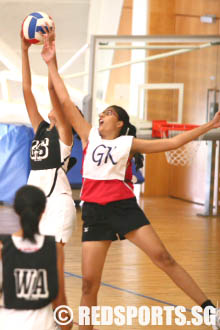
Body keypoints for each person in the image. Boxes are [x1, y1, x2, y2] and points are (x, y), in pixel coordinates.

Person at [41, 29, 220, 330]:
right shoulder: (89, 135)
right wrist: (50, 61)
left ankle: (211, 311)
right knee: (88, 286)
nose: (102, 115)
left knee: (163, 258)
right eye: (101, 112)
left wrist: (210, 125)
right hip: (95, 212)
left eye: (108, 113)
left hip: (124, 208)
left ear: (120, 123)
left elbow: (173, 144)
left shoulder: (129, 142)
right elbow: (64, 97)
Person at [21, 27, 76, 246]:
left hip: (57, 204)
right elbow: (27, 90)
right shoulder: (41, 129)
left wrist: (51, 59)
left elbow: (55, 94)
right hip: (34, 204)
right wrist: (24, 51)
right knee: (32, 263)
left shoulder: (65, 135)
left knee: (53, 264)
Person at [0, 185, 72, 330]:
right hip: (43, 325)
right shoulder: (54, 248)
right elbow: (59, 299)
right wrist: (67, 325)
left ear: (15, 211)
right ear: (43, 211)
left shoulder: (2, 246)